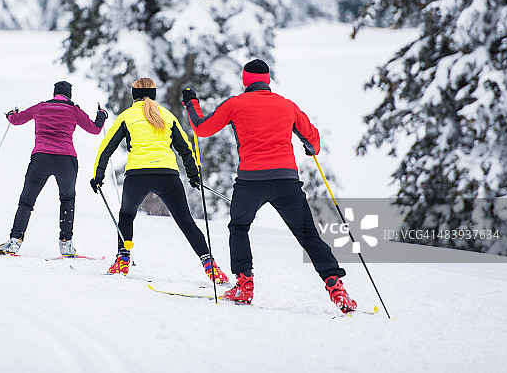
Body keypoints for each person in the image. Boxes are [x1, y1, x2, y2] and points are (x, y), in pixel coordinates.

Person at [182, 59, 357, 312]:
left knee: (239, 227)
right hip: (286, 180)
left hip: (250, 181)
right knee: (308, 235)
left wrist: (191, 102)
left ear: (245, 81)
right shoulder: (287, 106)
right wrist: (310, 148)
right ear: (267, 80)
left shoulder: (235, 104)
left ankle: (244, 285)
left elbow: (202, 128)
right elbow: (314, 141)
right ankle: (335, 287)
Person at [90, 78, 229, 283]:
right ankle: (211, 266)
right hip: (167, 175)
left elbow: (106, 147)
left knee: (126, 215)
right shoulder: (167, 115)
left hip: (137, 175)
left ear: (133, 95)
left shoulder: (127, 117)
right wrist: (193, 175)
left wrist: (98, 175)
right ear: (154, 94)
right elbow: (185, 148)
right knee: (187, 223)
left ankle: (122, 260)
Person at [0, 81, 108, 257]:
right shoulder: (74, 110)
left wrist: (11, 114)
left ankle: (14, 241)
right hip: (67, 160)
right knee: (67, 199)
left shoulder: (40, 107)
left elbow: (16, 120)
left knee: (27, 201)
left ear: (54, 93)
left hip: (41, 158)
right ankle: (66, 244)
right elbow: (95, 129)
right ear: (69, 95)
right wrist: (102, 115)